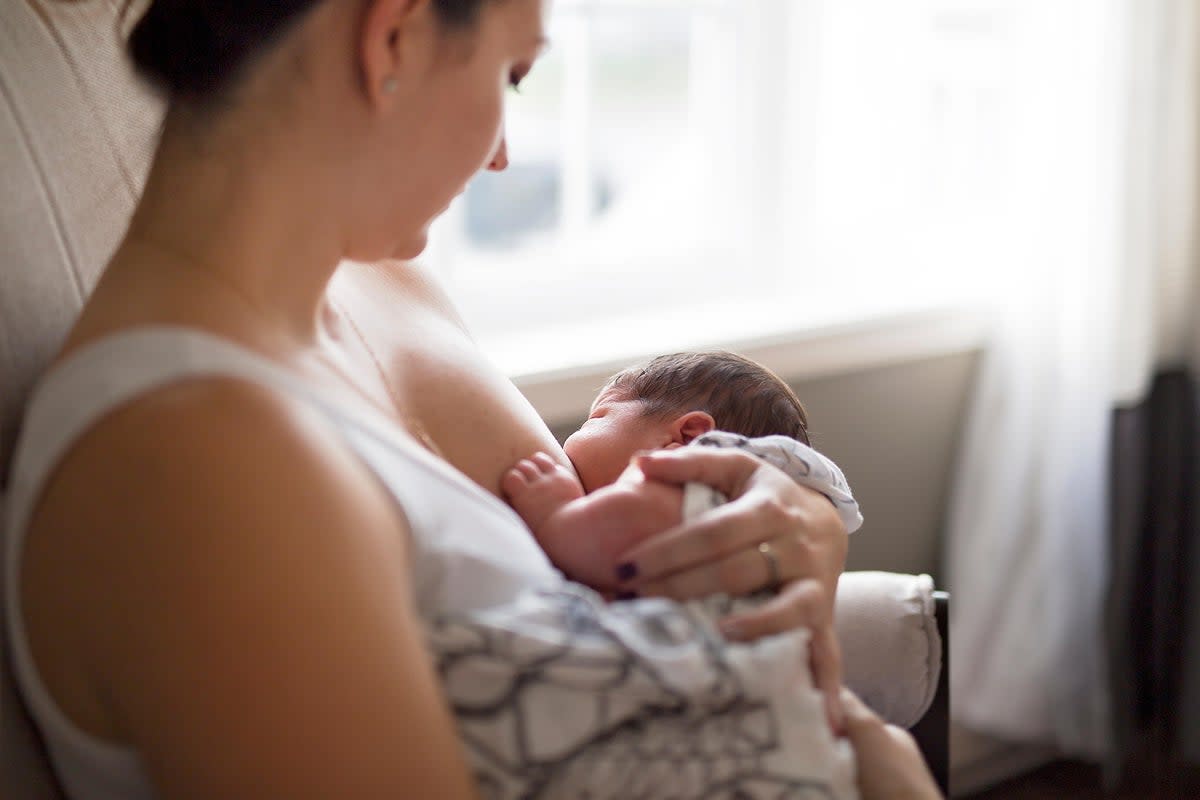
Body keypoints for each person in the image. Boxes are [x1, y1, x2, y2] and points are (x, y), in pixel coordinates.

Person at [1, 0, 940, 797]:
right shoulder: (193, 463)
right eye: (514, 74)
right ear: (395, 38)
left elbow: (578, 588)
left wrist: (788, 510)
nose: (500, 154)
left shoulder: (384, 287)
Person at [502, 350, 864, 592]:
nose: (570, 438)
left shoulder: (676, 492)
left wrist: (554, 514)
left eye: (597, 417)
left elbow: (594, 549)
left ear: (687, 436)